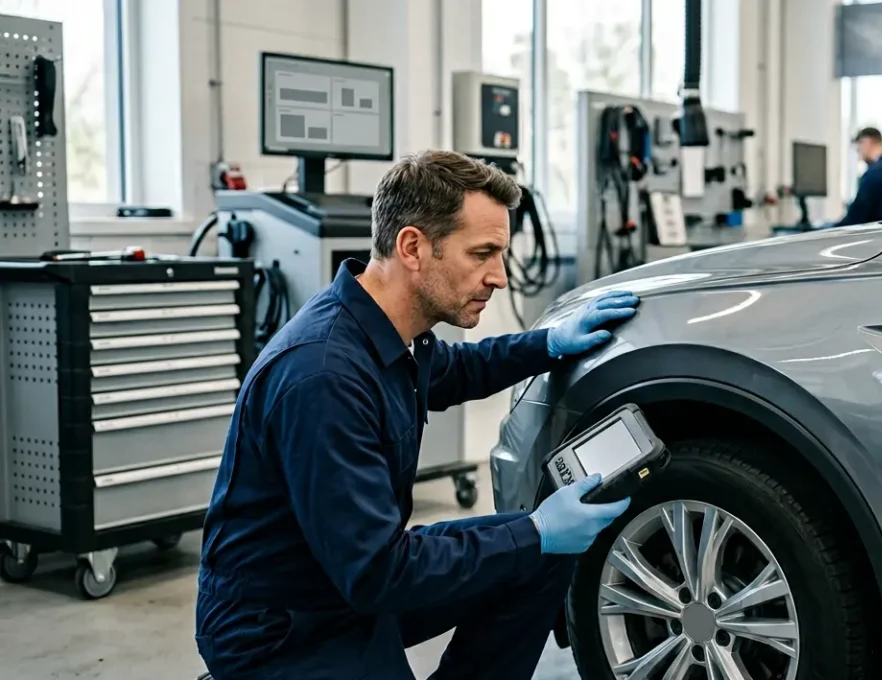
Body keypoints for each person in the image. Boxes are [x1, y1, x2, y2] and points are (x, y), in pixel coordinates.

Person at [194, 150, 639, 680]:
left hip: (351, 576)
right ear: (413, 247)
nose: (499, 276)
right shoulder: (323, 377)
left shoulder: (388, 330)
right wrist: (536, 529)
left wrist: (550, 343)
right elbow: (378, 573)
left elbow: (457, 370)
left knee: (536, 557)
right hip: (285, 627)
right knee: (530, 540)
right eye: (482, 254)